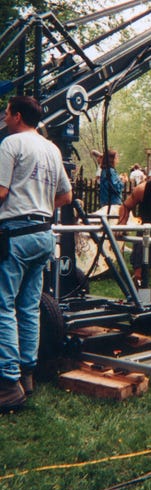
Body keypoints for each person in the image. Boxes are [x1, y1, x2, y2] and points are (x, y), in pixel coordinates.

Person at [0, 95, 72, 411]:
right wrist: (38, 206)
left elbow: (1, 192)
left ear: (17, 116)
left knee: (3, 305)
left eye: (6, 111)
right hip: (43, 234)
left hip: (15, 234)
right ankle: (27, 376)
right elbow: (66, 196)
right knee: (28, 306)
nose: (4, 116)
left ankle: (6, 382)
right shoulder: (51, 148)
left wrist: (20, 208)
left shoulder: (10, 145)